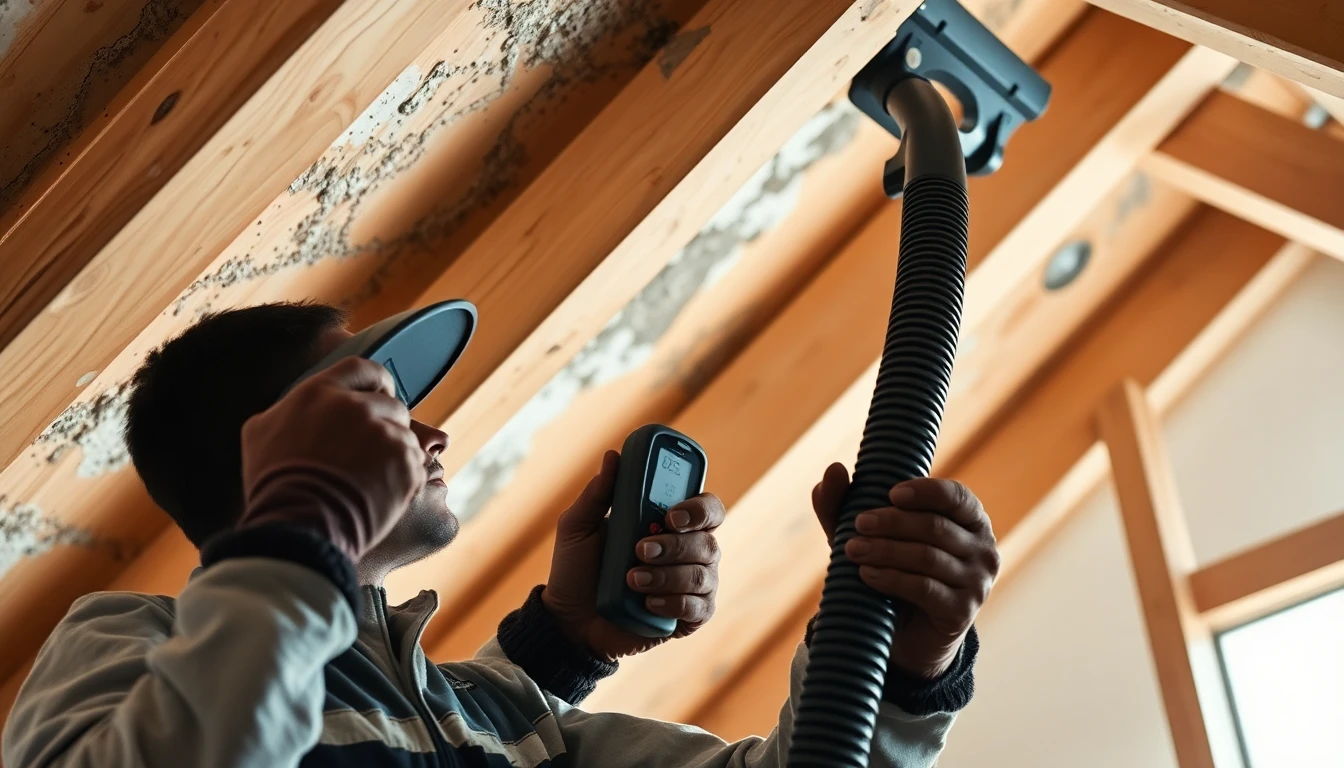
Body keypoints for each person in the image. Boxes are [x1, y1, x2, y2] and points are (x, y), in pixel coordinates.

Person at [2, 302, 1001, 767]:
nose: (432, 431)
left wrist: (911, 661)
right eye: (381, 401)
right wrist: (302, 524)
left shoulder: (508, 732)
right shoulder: (127, 642)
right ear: (275, 448)